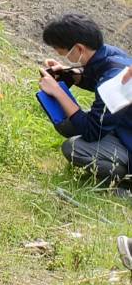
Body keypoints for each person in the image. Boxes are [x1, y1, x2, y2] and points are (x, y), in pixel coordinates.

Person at [38, 14, 132, 184]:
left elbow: (91, 131)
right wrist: (68, 74)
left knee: (73, 148)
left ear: (79, 49)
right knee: (67, 124)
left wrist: (58, 92)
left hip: (128, 137)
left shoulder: (114, 81)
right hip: (123, 125)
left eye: (65, 54)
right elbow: (95, 79)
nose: (66, 58)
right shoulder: (110, 55)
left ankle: (125, 180)